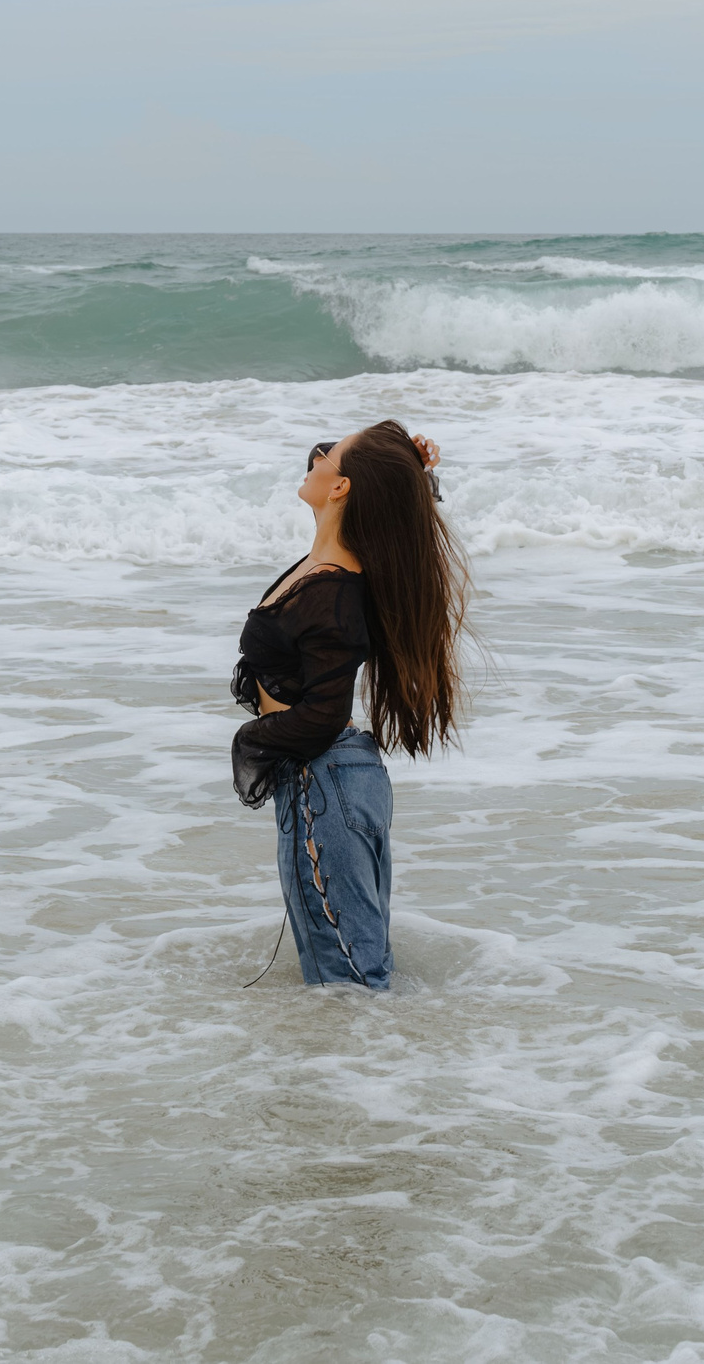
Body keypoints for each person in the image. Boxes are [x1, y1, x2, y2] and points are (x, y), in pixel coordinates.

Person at [229, 420, 469, 990]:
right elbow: (343, 469)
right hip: (337, 779)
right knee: (357, 973)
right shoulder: (332, 562)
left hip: (324, 784)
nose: (314, 459)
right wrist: (412, 463)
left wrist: (250, 742)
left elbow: (322, 716)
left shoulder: (332, 590)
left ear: (340, 488)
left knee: (351, 986)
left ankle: (362, 1078)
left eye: (327, 459)